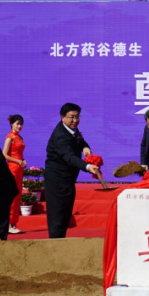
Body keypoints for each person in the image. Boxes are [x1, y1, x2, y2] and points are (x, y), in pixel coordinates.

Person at [44, 102, 101, 238]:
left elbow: (81, 141)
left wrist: (85, 147)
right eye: (71, 117)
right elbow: (69, 157)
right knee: (57, 217)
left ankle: (61, 242)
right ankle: (55, 246)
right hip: (57, 181)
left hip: (68, 180)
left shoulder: (72, 130)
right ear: (62, 117)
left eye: (77, 117)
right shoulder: (60, 135)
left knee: (65, 214)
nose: (75, 120)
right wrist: (87, 167)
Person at [2, 114, 27, 234]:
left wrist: (22, 161)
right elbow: (4, 155)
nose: (19, 126)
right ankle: (8, 224)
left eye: (21, 124)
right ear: (12, 124)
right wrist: (18, 161)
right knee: (12, 195)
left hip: (19, 168)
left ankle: (13, 223)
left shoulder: (20, 137)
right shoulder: (10, 137)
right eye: (17, 123)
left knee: (17, 195)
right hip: (12, 168)